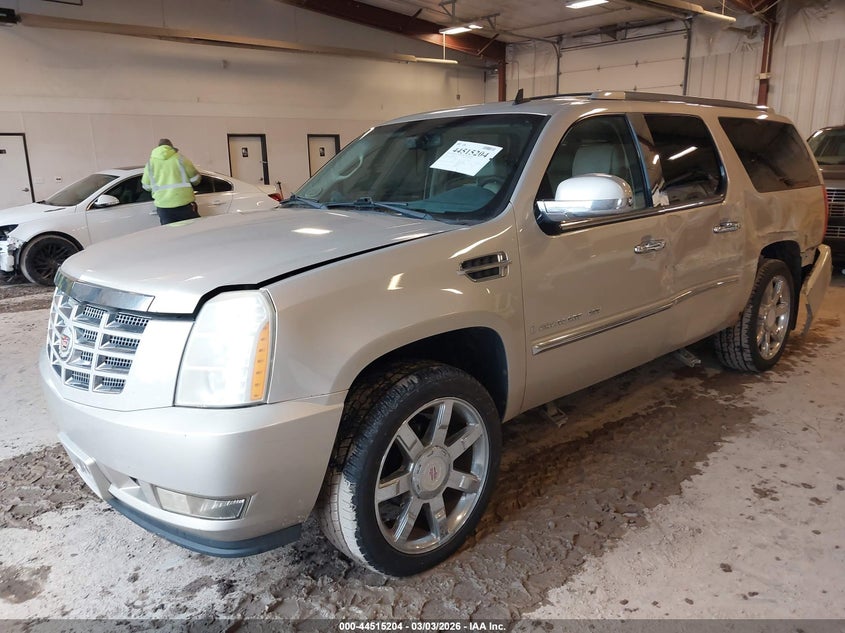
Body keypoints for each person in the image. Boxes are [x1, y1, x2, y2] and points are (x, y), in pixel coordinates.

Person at [141, 138, 202, 225]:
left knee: (171, 235)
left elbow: (146, 186)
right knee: (191, 232)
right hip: (184, 204)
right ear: (171, 147)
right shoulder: (181, 159)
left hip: (164, 207)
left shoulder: (150, 164)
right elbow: (195, 179)